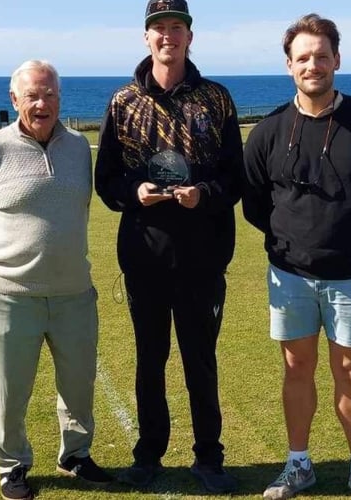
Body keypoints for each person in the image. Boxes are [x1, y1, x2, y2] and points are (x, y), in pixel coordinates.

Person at [241, 13, 351, 500]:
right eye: (302, 58)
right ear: (288, 66)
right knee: (296, 369)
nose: (312, 65)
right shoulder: (269, 130)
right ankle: (299, 464)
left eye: (321, 56)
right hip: (289, 276)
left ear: (336, 59)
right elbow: (254, 202)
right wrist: (290, 242)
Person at [95, 0, 244, 494]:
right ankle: (148, 455)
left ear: (189, 36)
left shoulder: (216, 99)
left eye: (176, 27)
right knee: (149, 359)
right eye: (158, 28)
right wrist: (132, 193)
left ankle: (209, 458)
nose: (167, 36)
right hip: (145, 258)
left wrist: (204, 196)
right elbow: (107, 180)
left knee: (201, 361)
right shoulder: (122, 103)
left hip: (203, 258)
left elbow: (234, 178)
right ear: (145, 37)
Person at [0, 59, 113, 500]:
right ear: (14, 100)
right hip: (12, 298)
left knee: (79, 385)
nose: (41, 103)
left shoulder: (79, 148)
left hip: (74, 295)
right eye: (32, 95)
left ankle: (75, 455)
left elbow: (80, 209)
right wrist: (2, 271)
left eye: (49, 94)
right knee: (8, 392)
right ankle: (12, 466)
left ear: (60, 99)